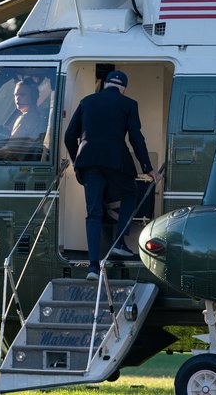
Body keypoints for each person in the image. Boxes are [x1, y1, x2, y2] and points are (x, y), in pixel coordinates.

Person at [64, 70, 161, 280]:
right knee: (130, 192)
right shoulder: (128, 104)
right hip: (117, 161)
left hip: (88, 162)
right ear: (123, 89)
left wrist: (77, 162)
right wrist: (148, 168)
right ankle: (118, 242)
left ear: (105, 84)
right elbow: (136, 137)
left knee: (93, 213)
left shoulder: (86, 101)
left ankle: (92, 268)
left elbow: (69, 136)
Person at [0, 78, 47, 160]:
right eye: (16, 95)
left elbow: (9, 150)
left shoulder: (26, 118)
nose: (17, 98)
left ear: (33, 96)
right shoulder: (36, 115)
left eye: (22, 94)